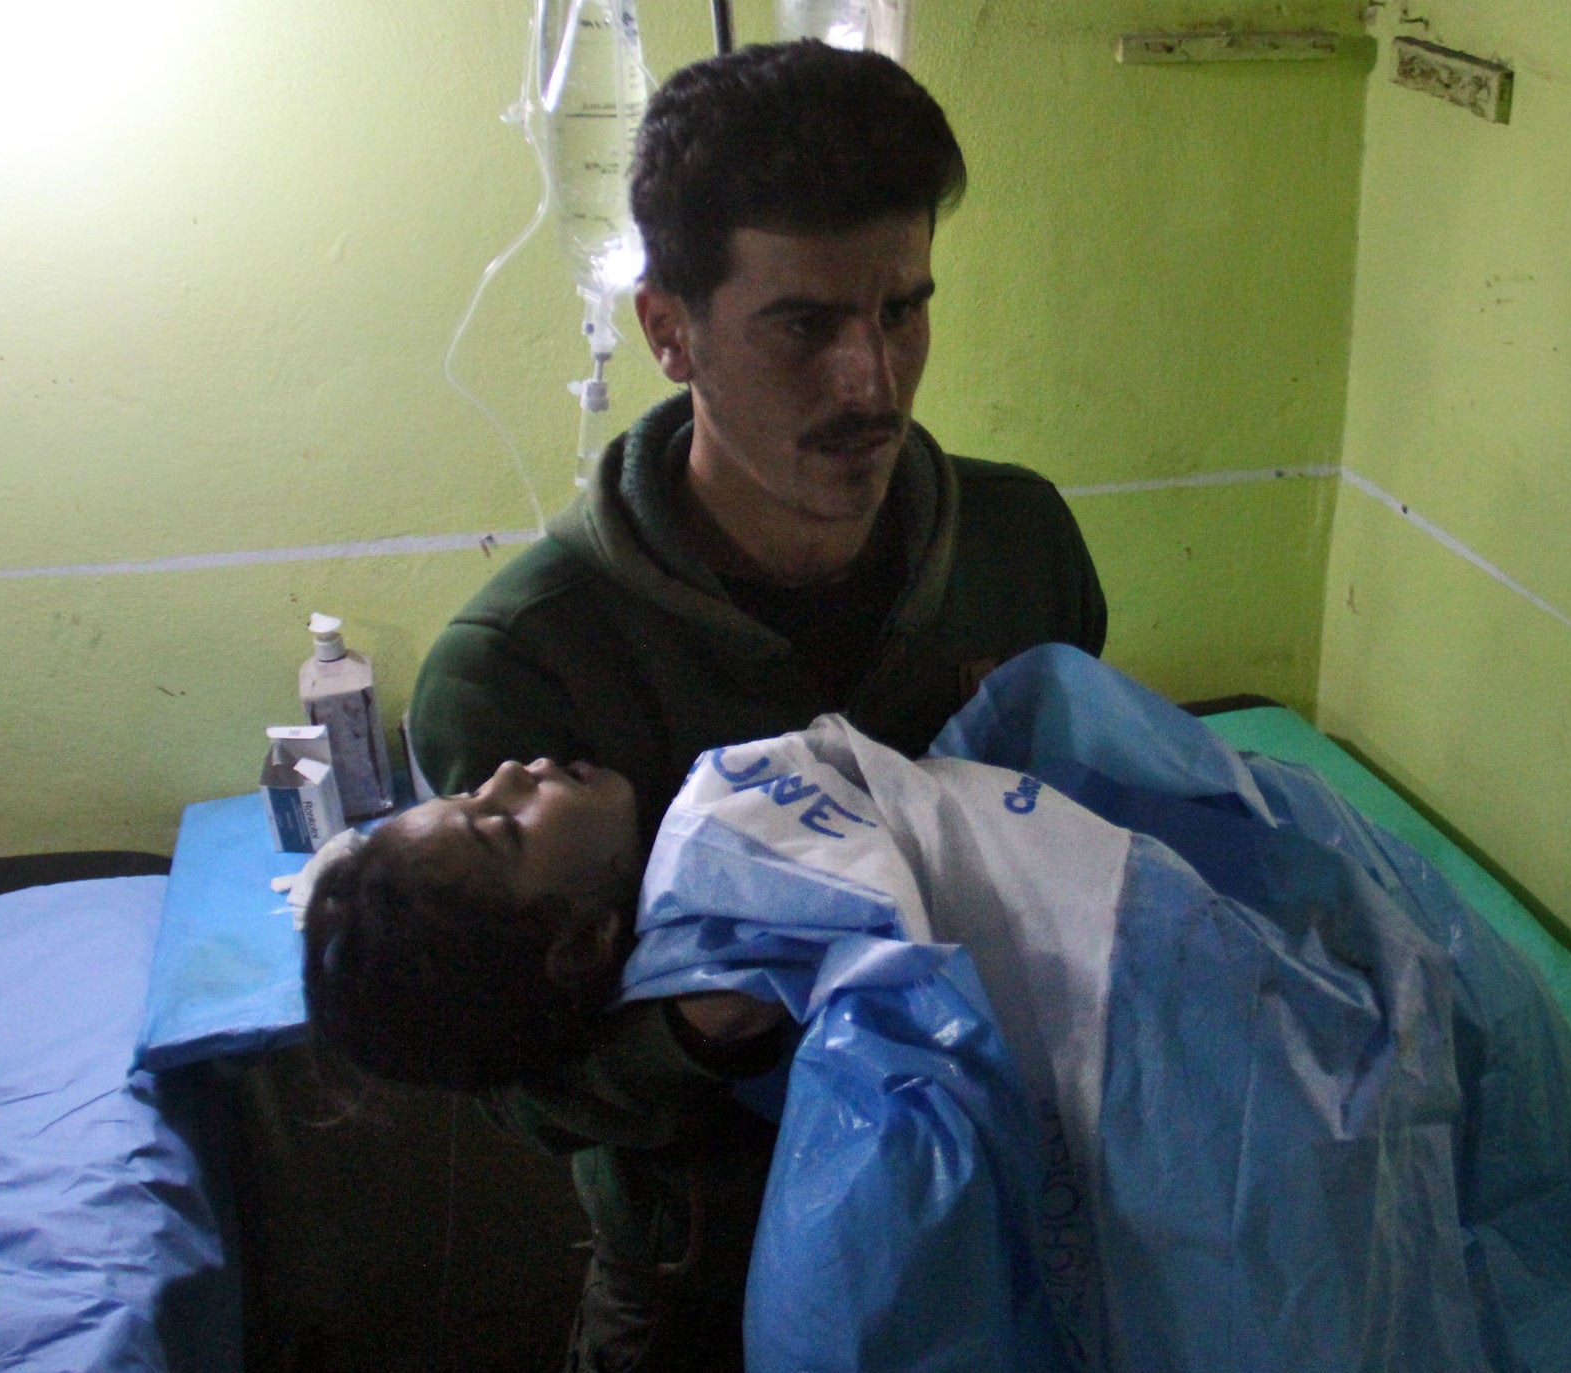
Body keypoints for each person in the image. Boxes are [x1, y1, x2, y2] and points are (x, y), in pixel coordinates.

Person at [313, 648, 1571, 1373]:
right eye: (496, 822)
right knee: (1306, 1241)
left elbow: (968, 792)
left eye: (900, 307)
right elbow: (901, 1106)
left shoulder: (976, 529)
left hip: (1149, 922)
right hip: (1148, 1022)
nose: (508, 769)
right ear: (580, 947)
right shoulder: (691, 895)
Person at [405, 38, 1106, 1371]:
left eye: (904, 309)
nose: (873, 382)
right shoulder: (523, 671)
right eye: (806, 325)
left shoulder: (1021, 551)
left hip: (1020, 1233)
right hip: (705, 1285)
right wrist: (685, 1037)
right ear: (669, 328)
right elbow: (509, 1075)